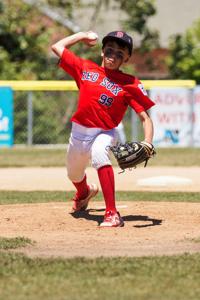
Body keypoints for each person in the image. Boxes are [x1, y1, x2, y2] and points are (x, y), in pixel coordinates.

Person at [51, 30, 155, 227]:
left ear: (126, 59)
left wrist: (147, 142)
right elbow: (57, 47)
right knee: (73, 174)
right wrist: (82, 35)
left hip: (105, 132)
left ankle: (112, 214)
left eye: (120, 53)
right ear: (102, 51)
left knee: (99, 153)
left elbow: (145, 118)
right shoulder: (85, 68)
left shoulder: (130, 83)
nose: (113, 55)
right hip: (79, 132)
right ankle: (84, 192)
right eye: (110, 50)